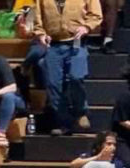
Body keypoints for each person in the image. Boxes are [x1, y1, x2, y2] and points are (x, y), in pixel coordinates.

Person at [32, 0, 102, 136]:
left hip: (76, 43)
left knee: (76, 76)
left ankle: (81, 111)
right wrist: (41, 34)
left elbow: (96, 15)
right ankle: (63, 121)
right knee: (53, 83)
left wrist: (86, 27)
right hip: (54, 45)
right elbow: (37, 19)